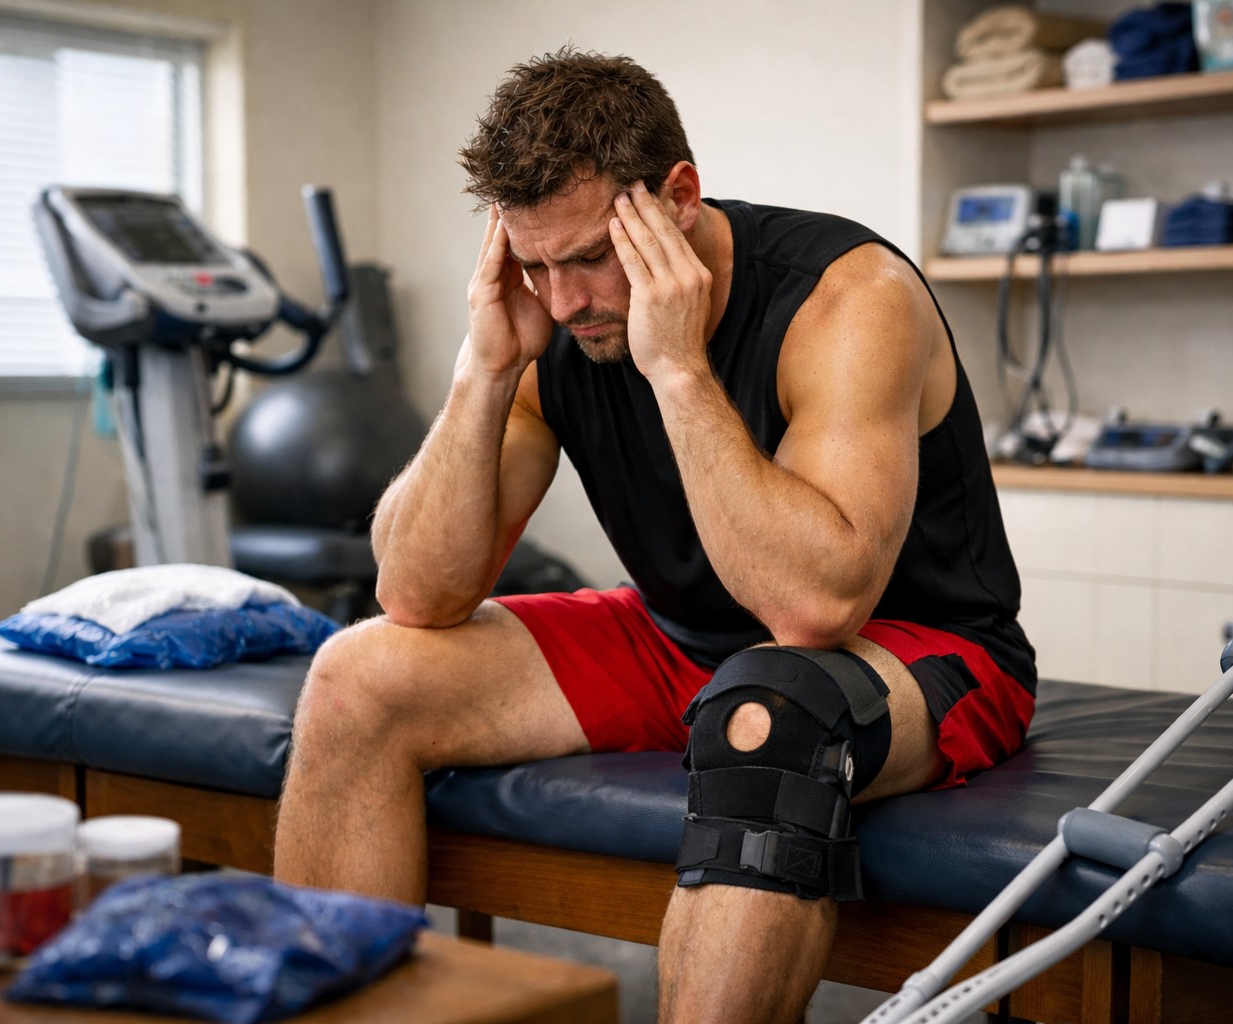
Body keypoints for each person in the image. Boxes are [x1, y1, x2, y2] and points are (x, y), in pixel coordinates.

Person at [274, 47, 1036, 1023]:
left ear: (679, 195)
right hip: (686, 644)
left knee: (773, 712)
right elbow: (417, 594)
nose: (564, 299)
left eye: (591, 257)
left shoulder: (850, 299)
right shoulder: (552, 320)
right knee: (358, 675)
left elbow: (815, 606)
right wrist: (487, 368)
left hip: (910, 649)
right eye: (535, 262)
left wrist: (679, 370)